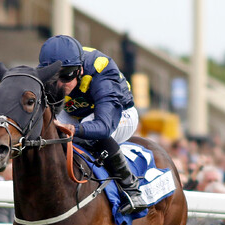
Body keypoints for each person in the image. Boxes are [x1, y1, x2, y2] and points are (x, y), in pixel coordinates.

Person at [37, 34, 146, 215]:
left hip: (118, 114)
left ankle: (131, 189)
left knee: (87, 132)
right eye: (53, 78)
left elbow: (103, 126)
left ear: (80, 69)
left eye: (66, 76)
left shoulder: (101, 69)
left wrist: (75, 130)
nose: (59, 85)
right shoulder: (51, 71)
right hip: (75, 111)